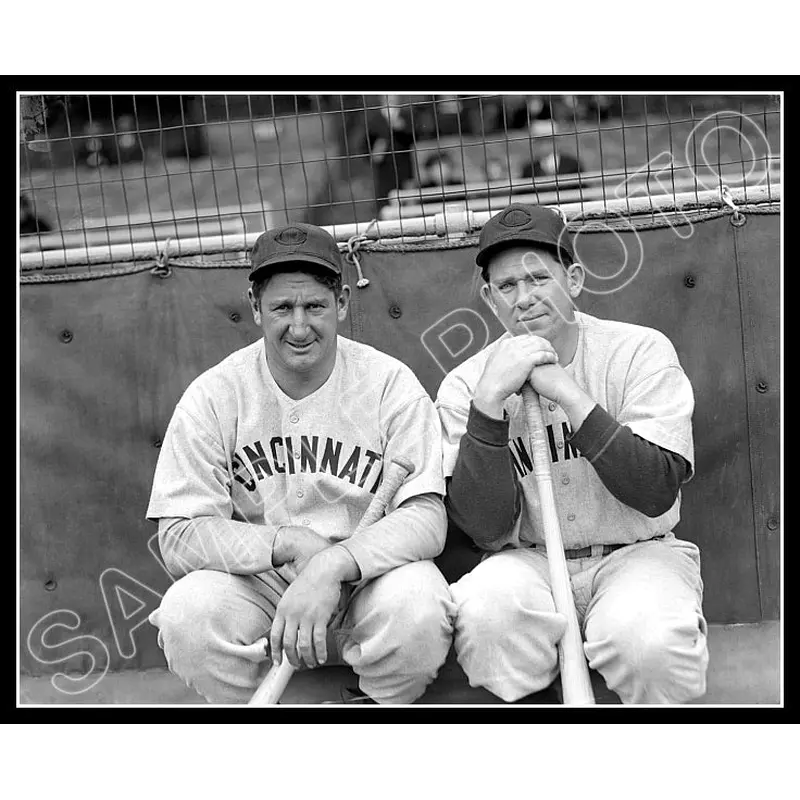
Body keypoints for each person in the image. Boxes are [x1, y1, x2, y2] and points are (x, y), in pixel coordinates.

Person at [147, 222, 454, 704]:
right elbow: (179, 537)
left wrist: (335, 563)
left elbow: (427, 518)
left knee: (419, 604)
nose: (299, 326)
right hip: (263, 587)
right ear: (254, 306)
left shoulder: (390, 385)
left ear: (343, 303)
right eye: (281, 308)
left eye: (314, 306)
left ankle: (379, 706)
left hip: (367, 579)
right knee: (188, 612)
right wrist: (284, 543)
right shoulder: (214, 395)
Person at [435, 203, 708, 704]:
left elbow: (654, 490)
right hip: (528, 561)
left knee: (652, 646)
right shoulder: (466, 384)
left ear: (574, 280)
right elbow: (485, 528)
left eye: (539, 278)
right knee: (486, 618)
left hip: (635, 553)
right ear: (489, 298)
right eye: (507, 285)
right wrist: (488, 406)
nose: (524, 297)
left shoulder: (638, 351)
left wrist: (571, 396)